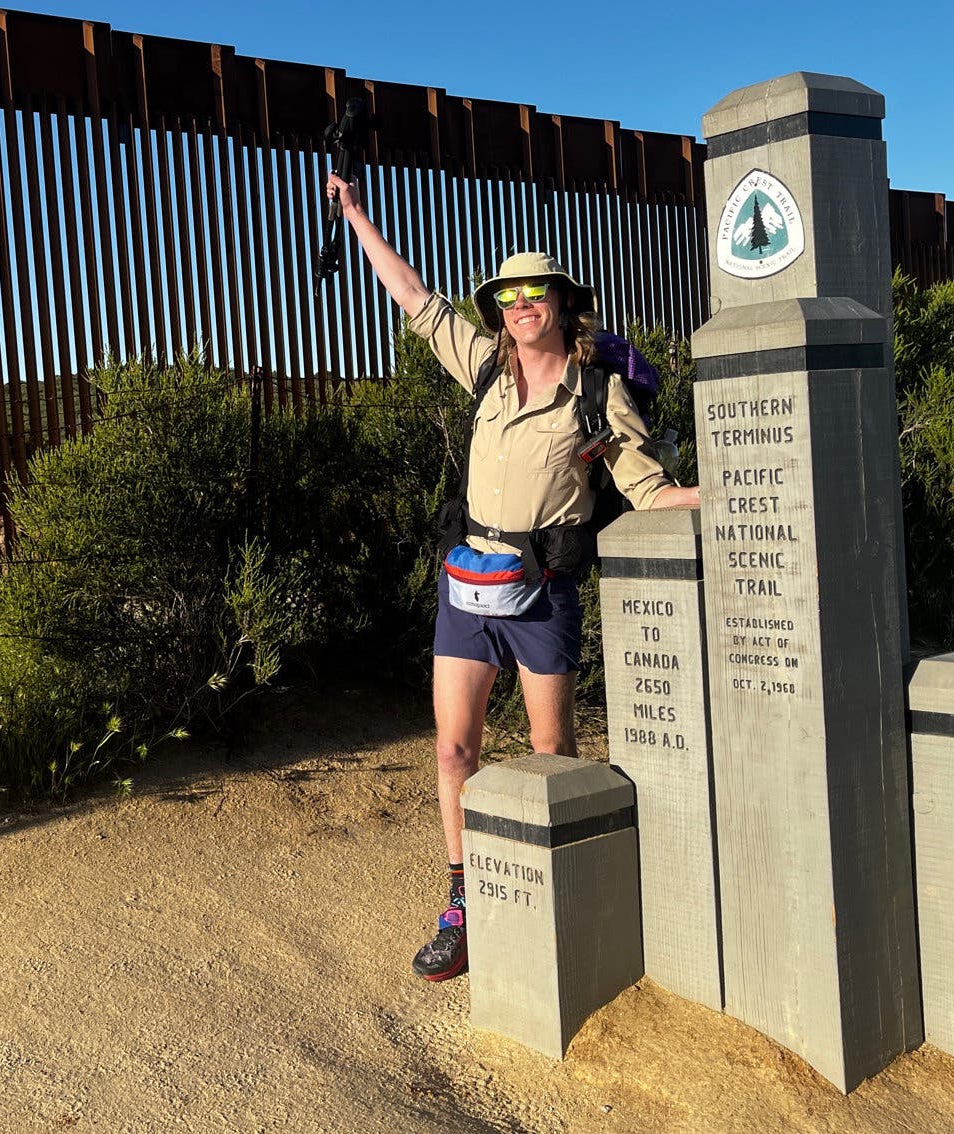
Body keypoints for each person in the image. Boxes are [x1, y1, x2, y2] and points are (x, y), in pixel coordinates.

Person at [325, 172, 700, 982]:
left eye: (536, 290)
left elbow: (652, 491)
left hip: (543, 591)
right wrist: (356, 217)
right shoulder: (487, 370)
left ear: (563, 302)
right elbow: (416, 300)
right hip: (467, 588)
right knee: (455, 750)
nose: (520, 303)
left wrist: (748, 487)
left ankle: (560, 892)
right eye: (507, 294)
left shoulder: (598, 394)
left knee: (549, 748)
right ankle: (462, 904)